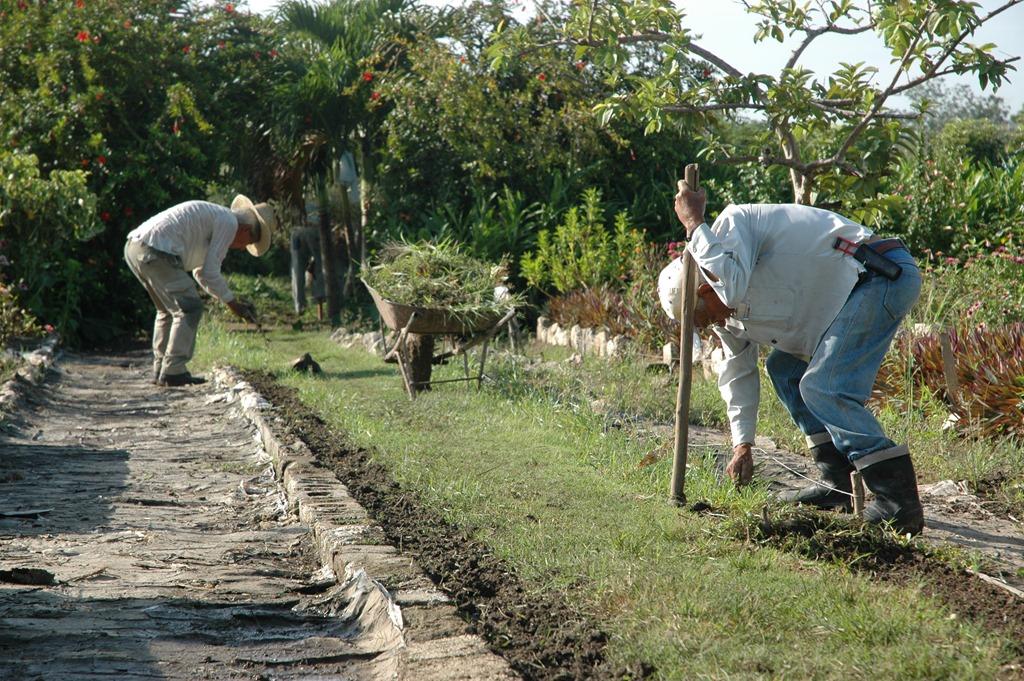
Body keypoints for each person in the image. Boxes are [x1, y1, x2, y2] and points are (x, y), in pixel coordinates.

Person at [659, 183, 925, 535]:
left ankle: (898, 502)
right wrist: (743, 445)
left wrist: (694, 225)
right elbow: (737, 372)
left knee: (825, 387)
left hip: (880, 274)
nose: (714, 325)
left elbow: (732, 285)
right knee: (783, 369)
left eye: (705, 317)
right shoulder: (724, 311)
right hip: (850, 295)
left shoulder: (732, 227)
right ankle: (837, 484)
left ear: (706, 290)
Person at [124, 195, 275, 387]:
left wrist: (229, 301)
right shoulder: (228, 222)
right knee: (190, 308)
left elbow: (201, 272)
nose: (243, 248)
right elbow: (211, 272)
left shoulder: (216, 218)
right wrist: (233, 304)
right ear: (246, 230)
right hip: (155, 251)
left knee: (167, 311)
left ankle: (161, 368)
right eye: (249, 242)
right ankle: (173, 371)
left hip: (135, 249)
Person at [290, 201, 326, 320]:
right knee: (320, 266)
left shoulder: (298, 197)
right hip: (315, 231)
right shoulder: (323, 196)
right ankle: (320, 302)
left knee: (297, 270)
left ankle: (299, 307)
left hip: (297, 232)